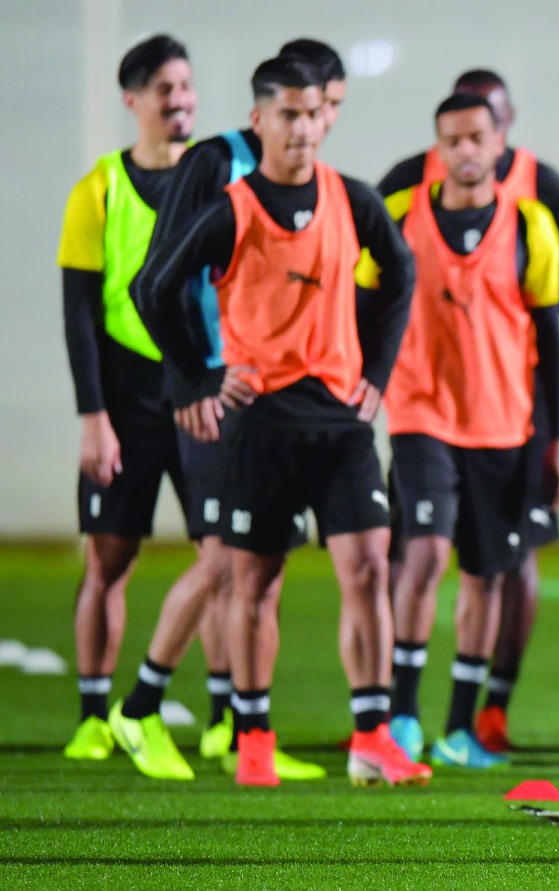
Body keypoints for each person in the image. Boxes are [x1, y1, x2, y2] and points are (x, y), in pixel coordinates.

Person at [133, 55, 428, 788]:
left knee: (366, 570)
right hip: (259, 419)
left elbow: (402, 274)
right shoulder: (232, 206)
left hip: (340, 421)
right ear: (259, 120)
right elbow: (153, 288)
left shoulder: (352, 199)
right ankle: (254, 737)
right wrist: (200, 375)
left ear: (326, 118)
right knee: (255, 582)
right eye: (287, 114)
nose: (303, 126)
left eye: (313, 112)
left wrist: (377, 376)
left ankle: (371, 735)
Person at [106, 39, 348, 782]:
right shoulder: (215, 162)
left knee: (253, 572)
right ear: (274, 106)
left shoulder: (314, 183)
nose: (319, 122)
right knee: (224, 560)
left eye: (330, 109)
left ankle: (240, 729)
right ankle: (139, 706)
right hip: (219, 396)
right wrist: (196, 381)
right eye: (311, 106)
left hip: (270, 402)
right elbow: (159, 278)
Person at [375, 68, 559, 754]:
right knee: (424, 553)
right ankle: (400, 712)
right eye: (452, 139)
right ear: (438, 144)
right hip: (420, 414)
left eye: (477, 137)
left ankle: (459, 725)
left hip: (504, 423)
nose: (465, 150)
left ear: (499, 141)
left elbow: (549, 336)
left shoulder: (532, 225)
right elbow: (364, 306)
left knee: (488, 574)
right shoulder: (399, 216)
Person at [57, 34, 207, 764]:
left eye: (185, 87)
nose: (179, 100)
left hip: (205, 396)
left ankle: (229, 719)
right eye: (164, 90)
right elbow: (79, 312)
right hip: (126, 402)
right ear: (133, 102)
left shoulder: (219, 180)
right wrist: (94, 419)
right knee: (108, 560)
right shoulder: (99, 190)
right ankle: (95, 712)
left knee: (226, 554)